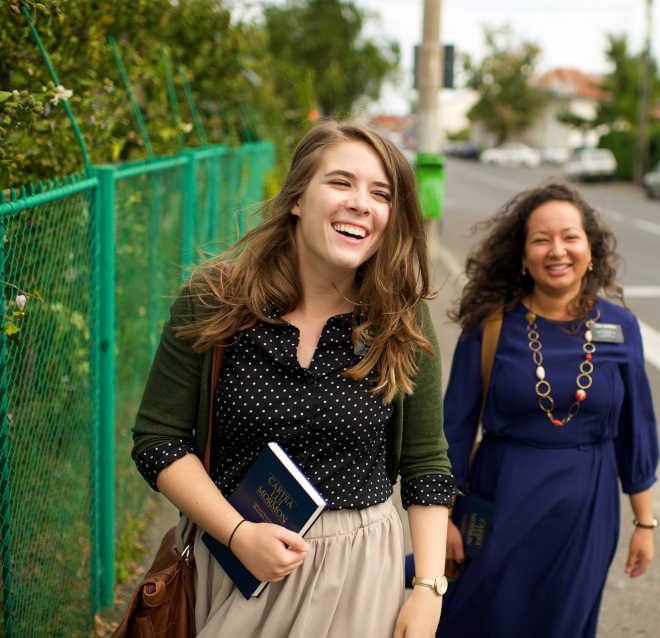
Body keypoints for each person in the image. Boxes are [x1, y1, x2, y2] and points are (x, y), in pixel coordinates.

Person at [131, 121, 454, 638]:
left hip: (360, 575)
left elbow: (426, 464)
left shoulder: (401, 320)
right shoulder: (214, 300)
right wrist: (237, 535)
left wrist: (428, 589)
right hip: (236, 564)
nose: (360, 203)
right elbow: (158, 441)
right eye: (341, 182)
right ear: (298, 198)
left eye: (381, 193)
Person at [437, 182, 660, 638]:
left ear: (590, 251)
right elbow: (453, 431)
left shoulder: (621, 327)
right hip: (500, 499)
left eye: (570, 237)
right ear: (522, 256)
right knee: (480, 618)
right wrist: (442, 519)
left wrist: (645, 523)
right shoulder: (490, 327)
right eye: (541, 239)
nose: (557, 250)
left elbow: (636, 429)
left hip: (587, 510)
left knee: (564, 623)